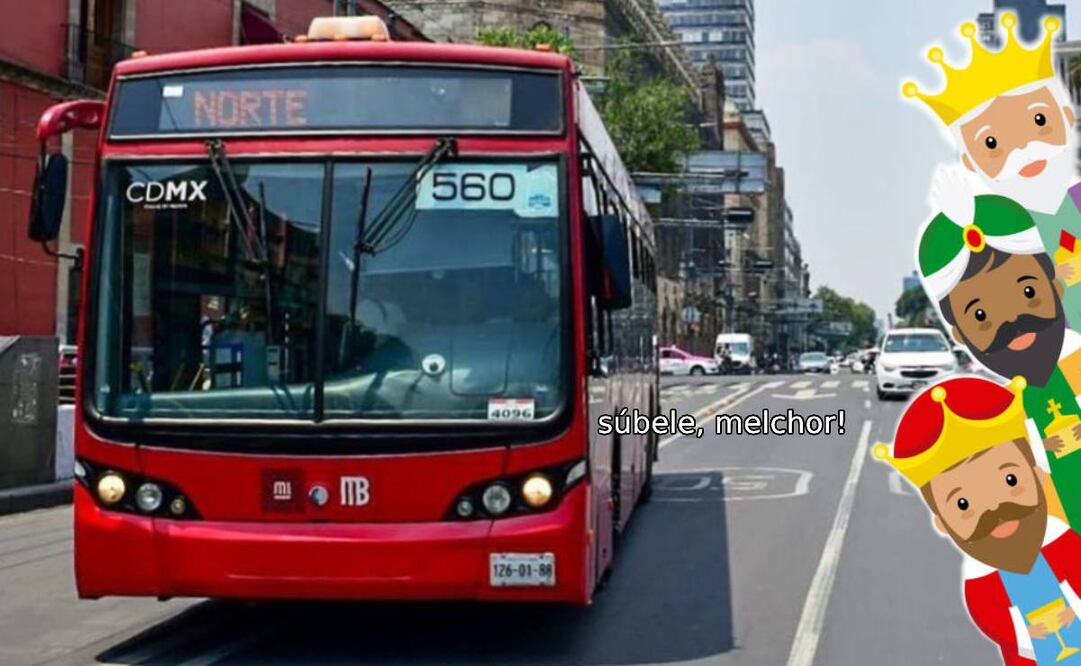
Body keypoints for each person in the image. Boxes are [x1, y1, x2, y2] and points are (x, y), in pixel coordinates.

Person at [875, 377, 1081, 665]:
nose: (994, 507)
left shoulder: (1062, 541)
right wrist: (1027, 632)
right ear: (943, 523)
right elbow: (992, 619)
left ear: (1039, 477)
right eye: (964, 504)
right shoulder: (981, 580)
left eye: (1011, 480)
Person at [916, 194, 1081, 529]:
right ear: (960, 335)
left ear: (1056, 287)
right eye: (981, 315)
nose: (1011, 319)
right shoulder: (1000, 414)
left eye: (1028, 293)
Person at [905, 12, 1081, 324]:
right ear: (971, 160)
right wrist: (965, 226)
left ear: (1066, 119)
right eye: (991, 142)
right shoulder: (1003, 222)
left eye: (1039, 121)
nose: (1023, 148)